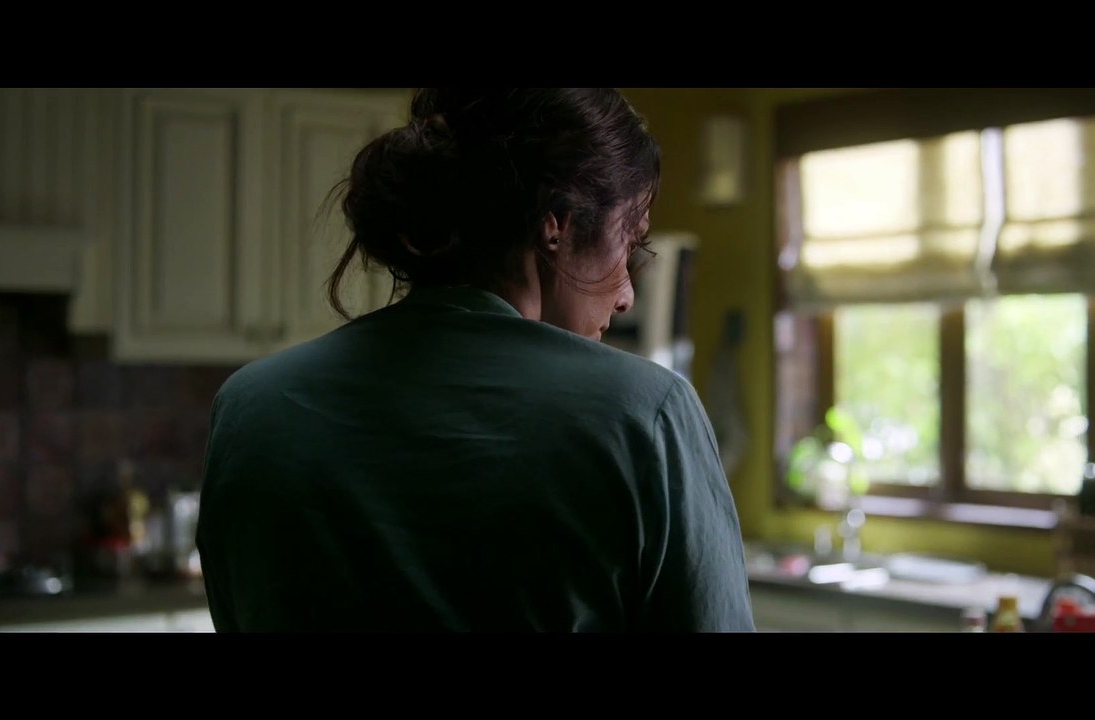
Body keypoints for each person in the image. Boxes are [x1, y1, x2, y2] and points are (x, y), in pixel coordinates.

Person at [195, 88, 755, 632]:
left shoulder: (250, 406)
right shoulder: (643, 415)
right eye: (629, 242)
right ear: (556, 222)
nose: (627, 294)